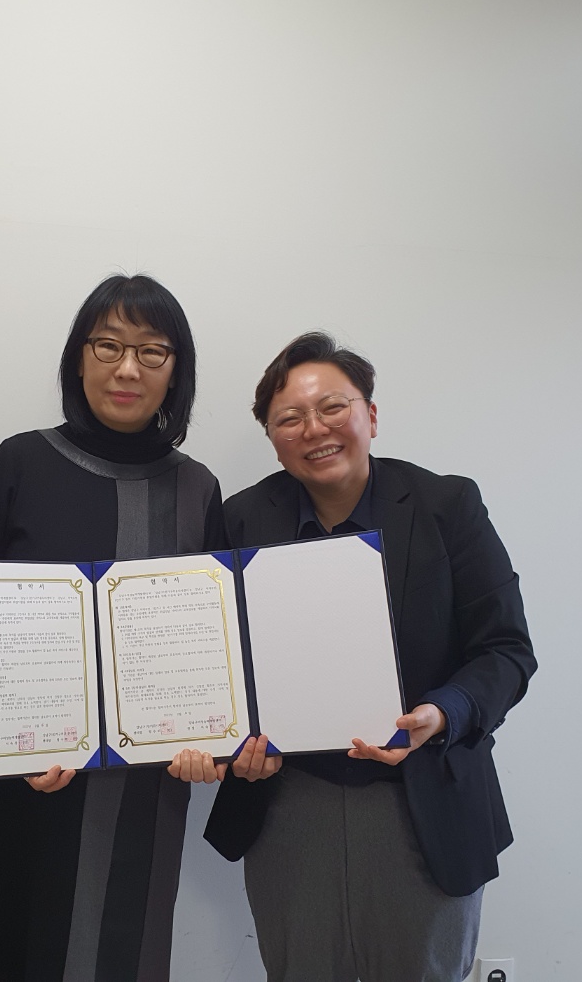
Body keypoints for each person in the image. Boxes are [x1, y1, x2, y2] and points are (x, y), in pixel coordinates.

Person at [0, 274, 228, 982]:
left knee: (122, 949)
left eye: (151, 352)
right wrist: (7, 731)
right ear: (78, 357)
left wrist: (209, 738)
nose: (127, 368)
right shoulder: (21, 462)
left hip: (143, 790)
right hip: (26, 778)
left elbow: (213, 642)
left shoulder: (196, 489)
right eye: (108, 345)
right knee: (7, 948)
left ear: (175, 371)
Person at [204, 331, 536, 982]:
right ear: (272, 438)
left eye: (333, 407)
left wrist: (443, 712)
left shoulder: (447, 506)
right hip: (289, 803)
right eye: (290, 418)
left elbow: (506, 649)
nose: (314, 429)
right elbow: (215, 660)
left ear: (371, 415)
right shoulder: (242, 520)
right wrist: (226, 740)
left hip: (423, 800)